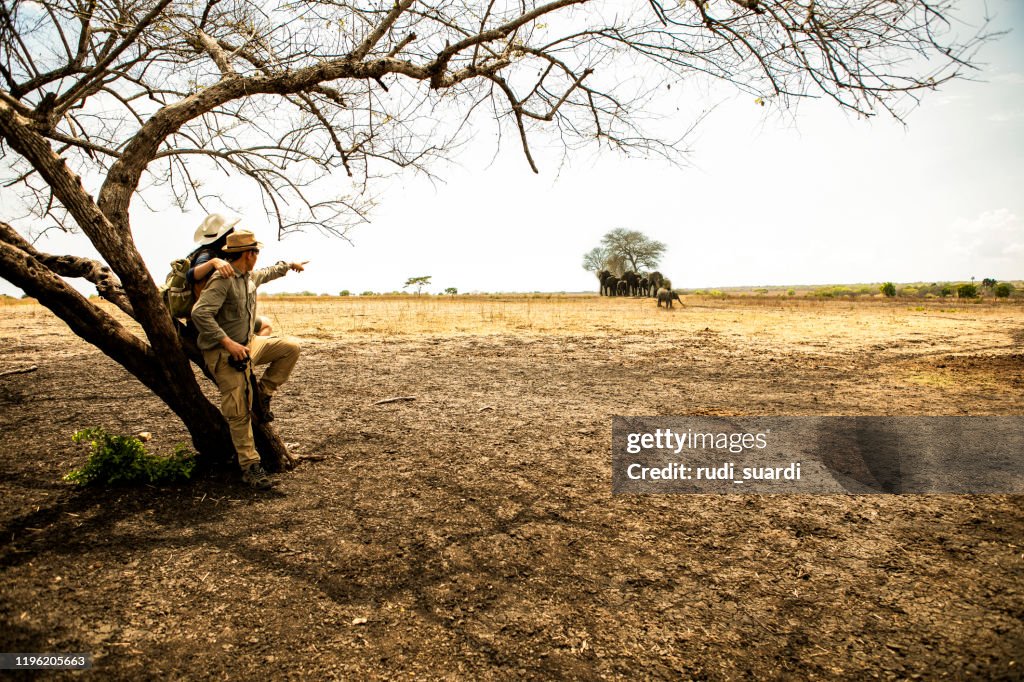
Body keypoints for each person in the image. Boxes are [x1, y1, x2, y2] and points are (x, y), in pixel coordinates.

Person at [191, 229, 308, 489]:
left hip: (247, 345)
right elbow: (200, 314)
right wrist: (228, 343)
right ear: (248, 254)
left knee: (290, 347)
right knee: (239, 410)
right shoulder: (223, 280)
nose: (258, 256)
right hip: (224, 352)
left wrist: (289, 265)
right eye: (256, 251)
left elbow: (267, 273)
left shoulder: (248, 277)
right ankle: (250, 467)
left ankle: (264, 393)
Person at [188, 214, 272, 336]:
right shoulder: (208, 254)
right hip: (215, 317)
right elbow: (191, 275)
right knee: (266, 325)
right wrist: (213, 262)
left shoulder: (212, 253)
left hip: (213, 314)